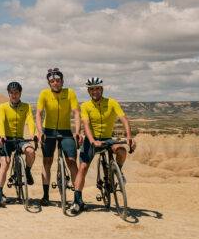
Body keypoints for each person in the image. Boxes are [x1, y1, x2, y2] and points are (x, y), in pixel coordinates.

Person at [72, 77, 135, 214]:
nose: (95, 91)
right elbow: (86, 125)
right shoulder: (85, 106)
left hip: (107, 138)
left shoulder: (111, 102)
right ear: (89, 91)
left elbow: (124, 119)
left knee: (122, 151)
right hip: (91, 139)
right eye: (92, 89)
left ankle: (118, 171)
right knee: (82, 167)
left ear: (102, 89)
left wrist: (129, 136)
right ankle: (77, 202)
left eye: (97, 88)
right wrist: (93, 141)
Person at [35, 67, 81, 207]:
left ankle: (78, 198)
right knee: (47, 162)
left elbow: (76, 113)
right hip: (48, 131)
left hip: (66, 131)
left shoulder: (70, 93)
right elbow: (38, 114)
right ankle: (45, 196)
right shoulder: (44, 94)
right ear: (49, 83)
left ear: (62, 81)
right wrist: (39, 131)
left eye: (58, 80)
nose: (55, 83)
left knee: (72, 161)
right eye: (52, 81)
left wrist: (77, 131)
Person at [0, 81, 38, 197]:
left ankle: (27, 171)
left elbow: (30, 120)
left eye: (16, 93)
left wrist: (32, 134)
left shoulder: (26, 106)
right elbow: (1, 121)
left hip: (19, 139)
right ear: (8, 94)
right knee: (5, 164)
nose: (14, 95)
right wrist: (2, 135)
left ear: (20, 94)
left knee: (30, 151)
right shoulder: (3, 107)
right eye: (11, 93)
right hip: (6, 139)